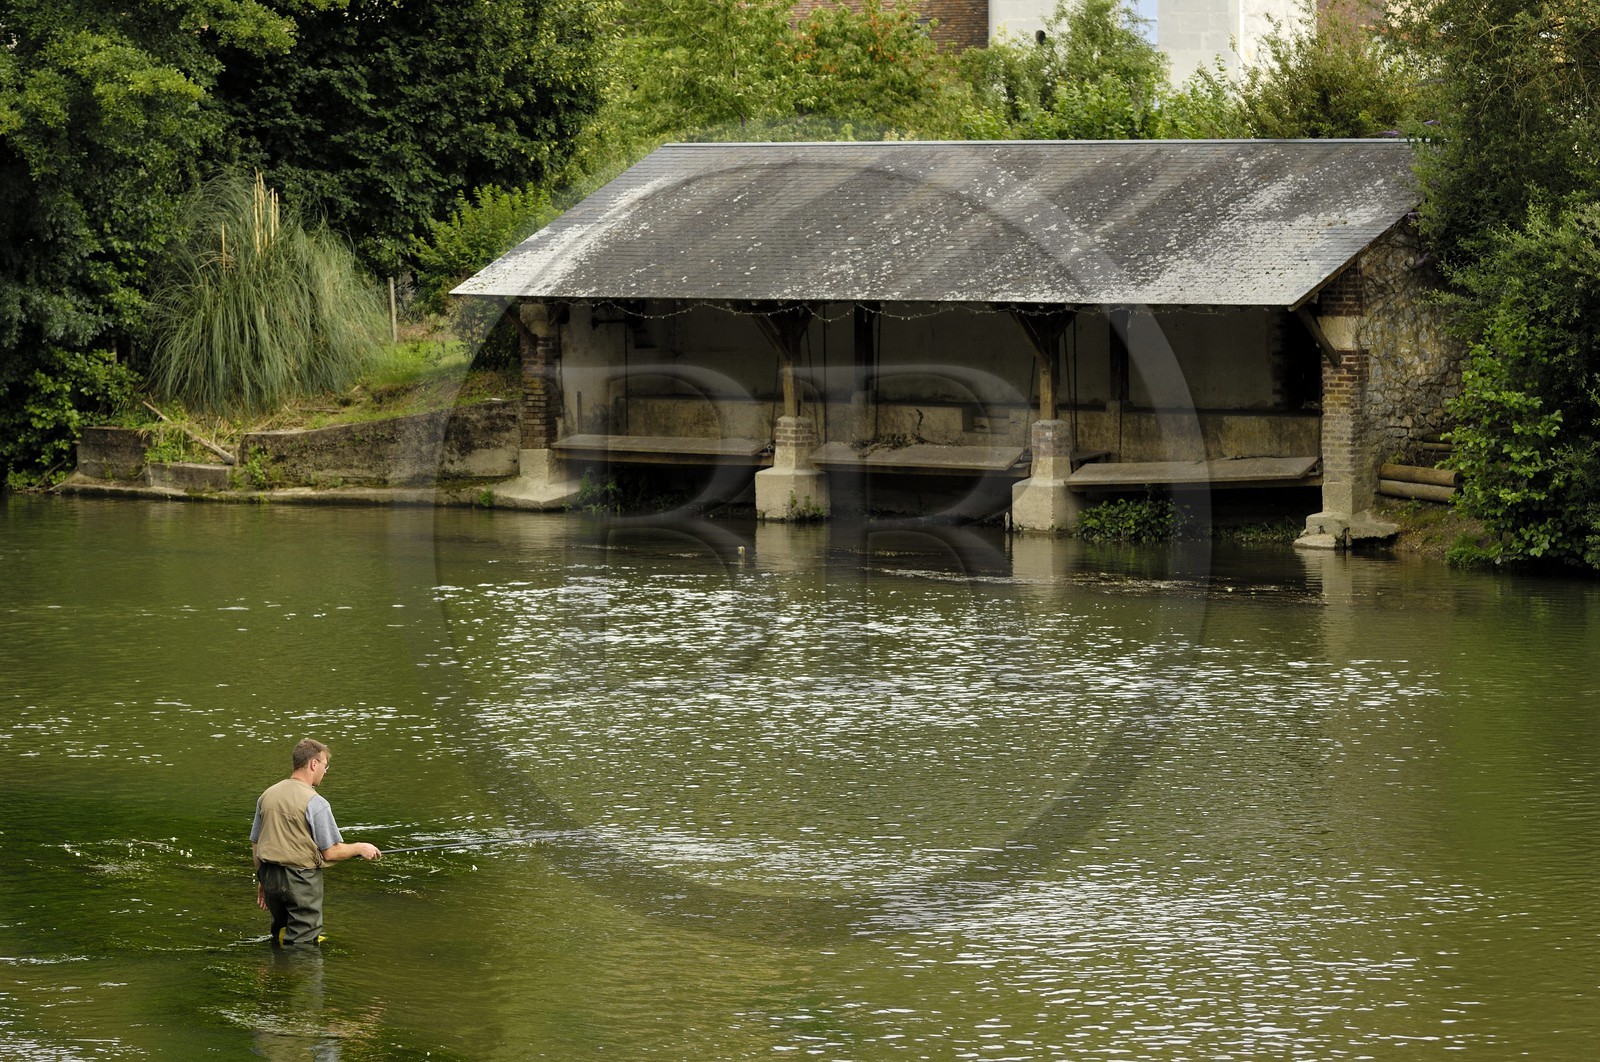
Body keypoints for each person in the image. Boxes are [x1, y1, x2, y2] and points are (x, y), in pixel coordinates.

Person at [250, 738, 381, 945]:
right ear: (313, 764)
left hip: (269, 875)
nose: (325, 771)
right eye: (325, 765)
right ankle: (298, 974)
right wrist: (360, 848)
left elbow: (256, 843)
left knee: (281, 932)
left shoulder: (267, 795)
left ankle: (275, 971)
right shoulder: (316, 802)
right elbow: (330, 852)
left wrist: (262, 880)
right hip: (300, 880)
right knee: (303, 941)